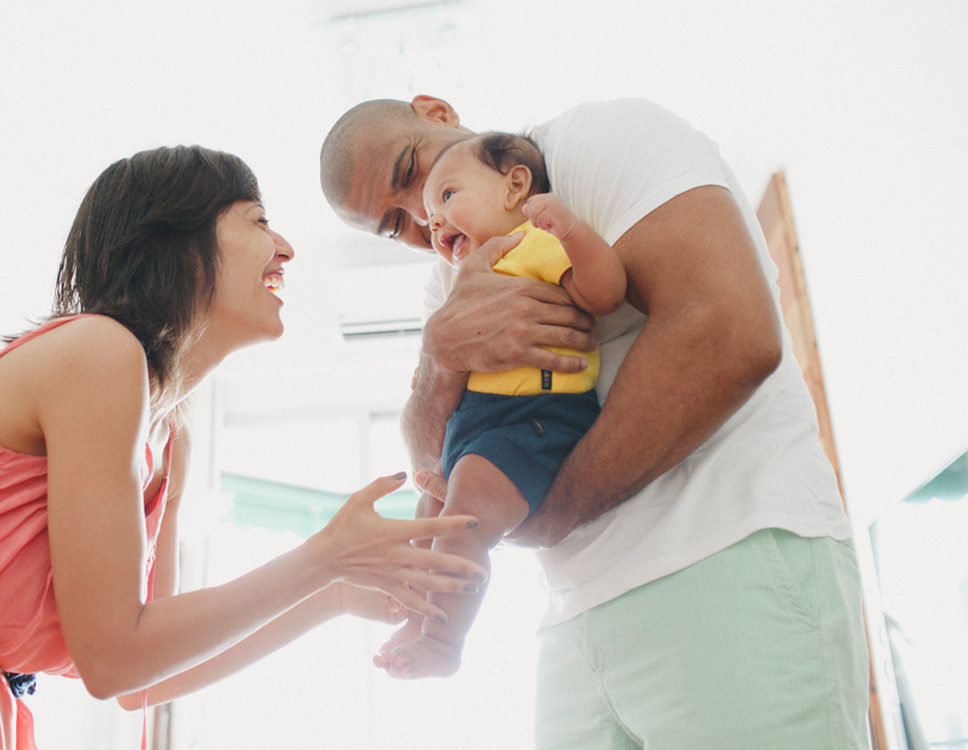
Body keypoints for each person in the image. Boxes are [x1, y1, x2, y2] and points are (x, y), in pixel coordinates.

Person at [0, 144, 488, 750]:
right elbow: (115, 658)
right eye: (261, 221)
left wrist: (333, 593)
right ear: (179, 240)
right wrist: (324, 557)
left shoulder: (166, 436)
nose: (287, 247)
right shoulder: (100, 352)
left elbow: (145, 677)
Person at [321, 97, 869, 747]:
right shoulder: (450, 280)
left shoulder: (597, 141)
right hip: (573, 619)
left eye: (412, 171)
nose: (423, 217)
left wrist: (549, 515)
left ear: (437, 113)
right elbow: (429, 463)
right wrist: (442, 350)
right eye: (394, 224)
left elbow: (732, 331)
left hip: (723, 557)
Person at [373, 131, 626, 680]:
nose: (433, 223)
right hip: (476, 423)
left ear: (514, 186)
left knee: (463, 526)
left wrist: (572, 231)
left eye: (446, 197)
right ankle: (419, 619)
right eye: (423, 219)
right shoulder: (459, 275)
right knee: (426, 531)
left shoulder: (532, 242)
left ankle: (444, 643)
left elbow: (604, 293)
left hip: (533, 420)